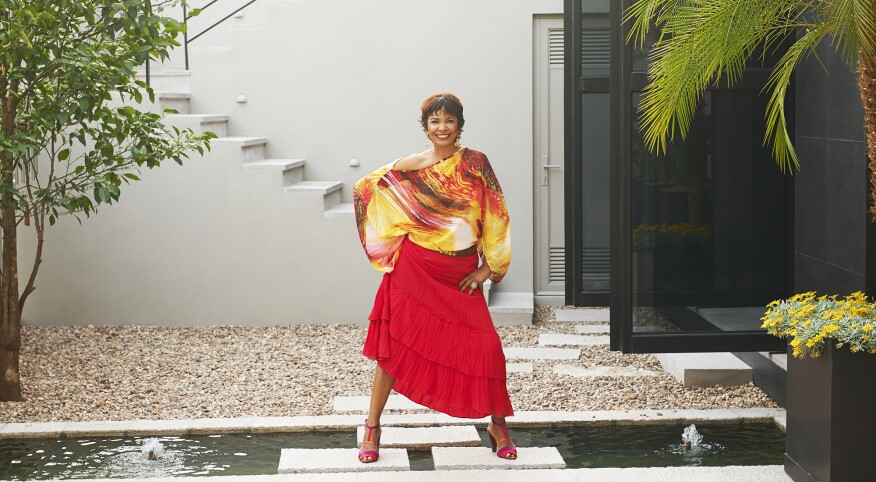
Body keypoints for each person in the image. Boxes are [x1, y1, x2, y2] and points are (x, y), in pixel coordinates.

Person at [353, 93, 516, 463]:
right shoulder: (413, 164)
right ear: (425, 127)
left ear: (460, 125)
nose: (442, 128)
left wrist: (488, 268)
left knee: (488, 348)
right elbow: (366, 190)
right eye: (434, 121)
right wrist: (394, 242)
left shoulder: (476, 164)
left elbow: (496, 213)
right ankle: (372, 428)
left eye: (449, 121)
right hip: (416, 269)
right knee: (393, 347)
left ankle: (497, 425)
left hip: (460, 274)